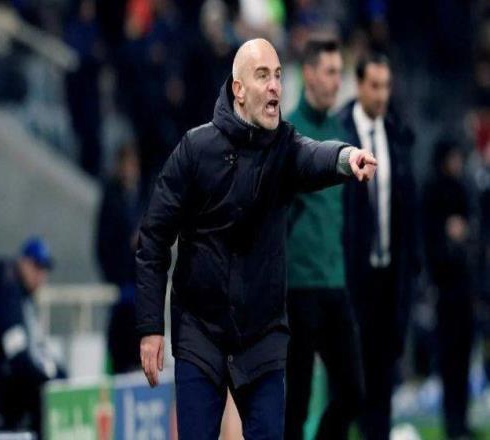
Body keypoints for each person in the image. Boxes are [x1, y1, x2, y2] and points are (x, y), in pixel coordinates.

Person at [136, 38, 377, 440]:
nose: (274, 86)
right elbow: (154, 239)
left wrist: (345, 158)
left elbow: (313, 155)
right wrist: (150, 326)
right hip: (200, 334)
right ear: (239, 89)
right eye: (263, 75)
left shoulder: (285, 147)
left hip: (263, 338)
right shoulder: (195, 149)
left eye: (278, 76)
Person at [284, 39, 364, 440]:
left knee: (353, 393)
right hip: (297, 288)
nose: (336, 82)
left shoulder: (340, 132)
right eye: (330, 72)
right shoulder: (287, 134)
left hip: (334, 283)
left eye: (339, 73)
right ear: (309, 74)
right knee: (295, 403)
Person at [338, 53, 417, 440]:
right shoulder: (339, 135)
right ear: (359, 85)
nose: (382, 95)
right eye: (374, 86)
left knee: (383, 382)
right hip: (352, 279)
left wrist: (411, 268)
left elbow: (408, 209)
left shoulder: (397, 135)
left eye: (386, 86)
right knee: (349, 386)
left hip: (389, 279)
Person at [422, 140, 474, 440]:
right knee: (450, 361)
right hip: (444, 293)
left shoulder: (463, 190)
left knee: (463, 360)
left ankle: (462, 421)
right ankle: (452, 423)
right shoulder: (433, 193)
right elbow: (430, 244)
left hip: (464, 293)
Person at [0, 237, 66, 436]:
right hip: (1, 398)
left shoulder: (23, 297)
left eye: (44, 269)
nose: (41, 275)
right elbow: (18, 358)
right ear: (23, 262)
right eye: (36, 267)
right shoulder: (8, 295)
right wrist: (49, 378)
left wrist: (57, 373)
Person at [96, 144, 143, 373]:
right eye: (126, 165)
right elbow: (103, 242)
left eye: (133, 165)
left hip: (138, 283)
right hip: (120, 283)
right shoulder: (112, 198)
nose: (130, 170)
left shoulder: (139, 197)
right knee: (120, 340)